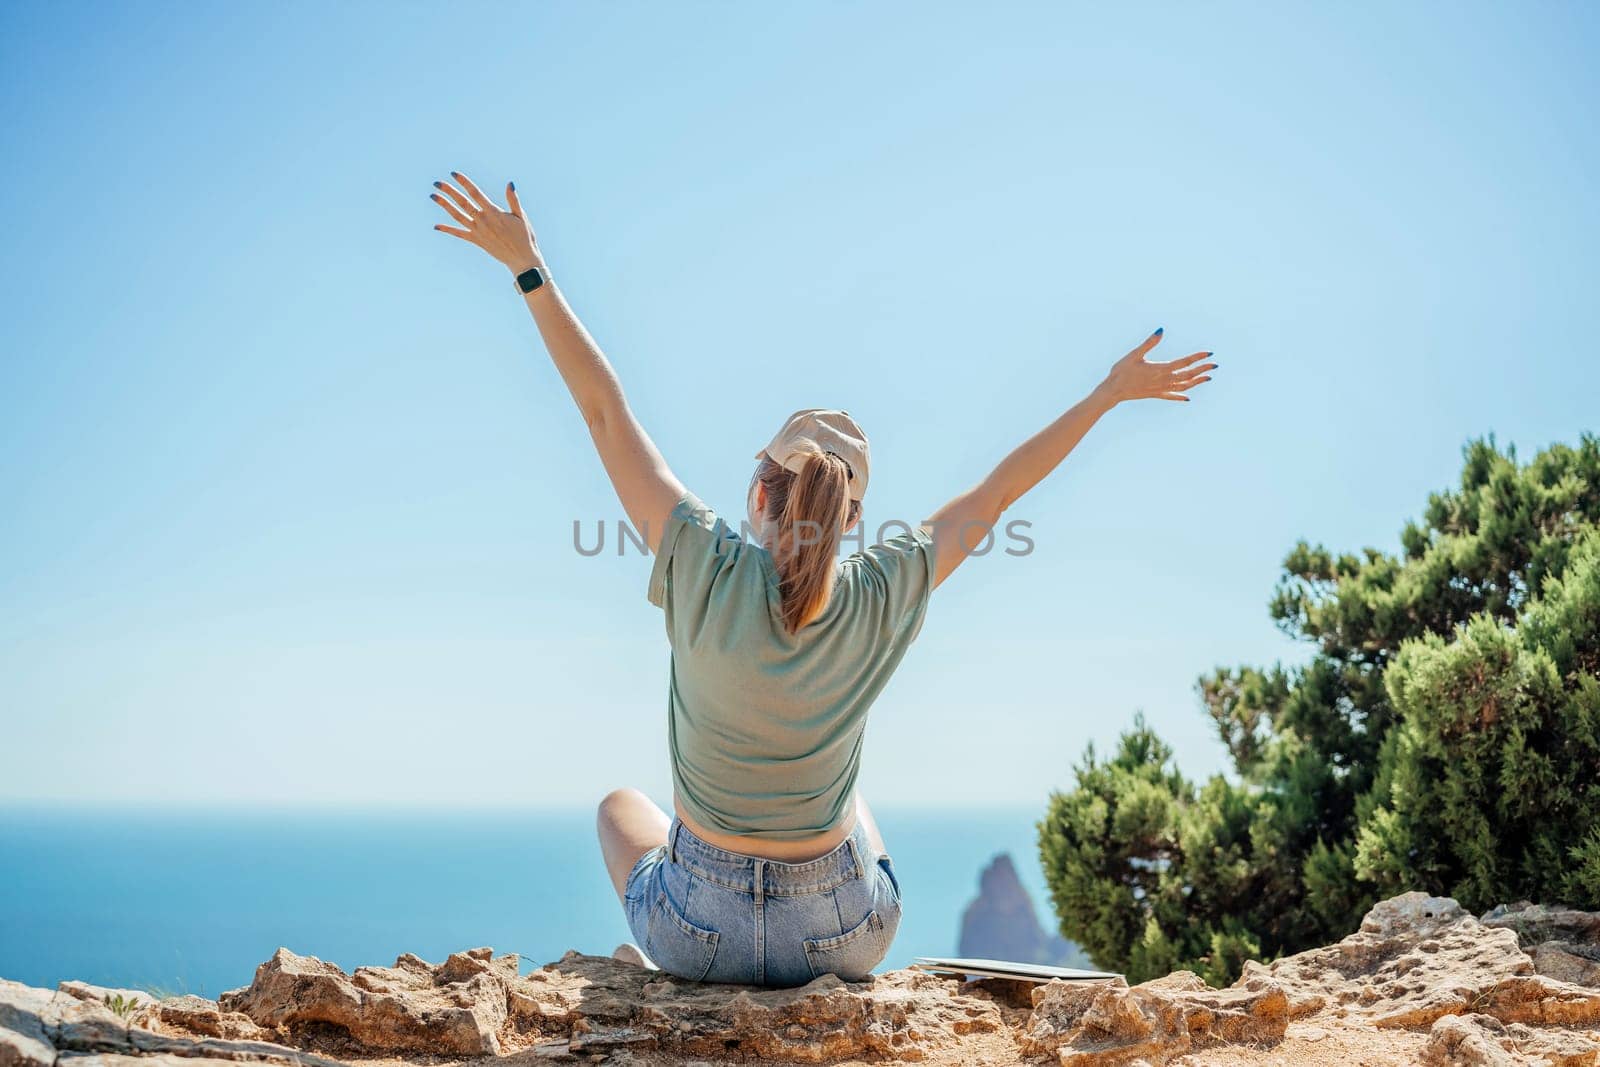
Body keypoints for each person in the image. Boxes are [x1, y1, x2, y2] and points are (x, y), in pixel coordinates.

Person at [430, 170, 1215, 987]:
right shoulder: (884, 588)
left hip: (696, 931)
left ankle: (653, 962)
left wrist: (529, 267)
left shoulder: (699, 558)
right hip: (840, 935)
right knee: (854, 805)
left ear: (758, 489)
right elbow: (999, 491)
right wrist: (1109, 393)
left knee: (618, 808)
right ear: (850, 517)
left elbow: (603, 409)